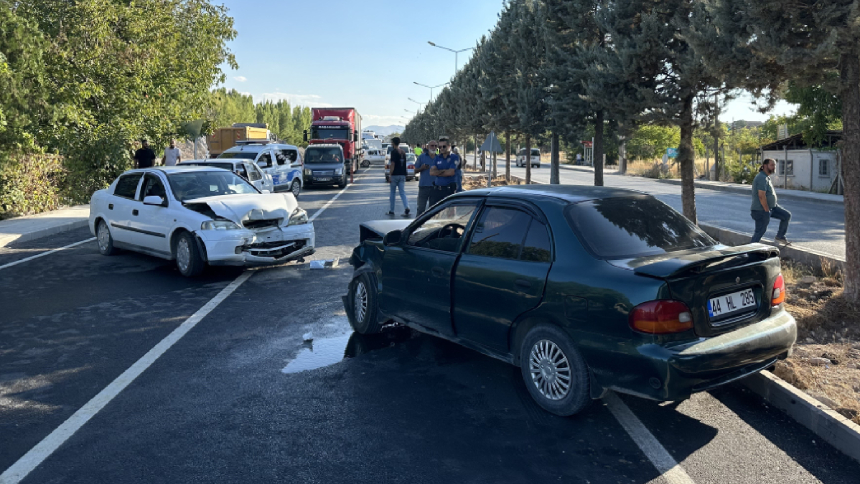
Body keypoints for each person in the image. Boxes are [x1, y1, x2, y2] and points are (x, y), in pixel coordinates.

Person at [750, 158, 792, 245]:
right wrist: (766, 210)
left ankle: (780, 236)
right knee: (760, 232)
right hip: (761, 210)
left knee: (786, 216)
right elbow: (761, 196)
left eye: (775, 165)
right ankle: (748, 252)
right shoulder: (761, 177)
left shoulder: (766, 177)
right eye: (772, 165)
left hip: (772, 208)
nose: (774, 167)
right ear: (765, 166)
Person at [429, 137, 458, 206]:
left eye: (444, 146)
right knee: (433, 213)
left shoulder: (454, 157)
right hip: (437, 190)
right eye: (439, 147)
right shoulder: (437, 157)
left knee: (449, 214)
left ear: (449, 146)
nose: (441, 148)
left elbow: (451, 172)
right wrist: (444, 171)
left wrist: (438, 172)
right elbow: (431, 172)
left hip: (449, 190)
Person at [387, 137, 410, 216]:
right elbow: (404, 164)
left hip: (395, 175)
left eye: (391, 142)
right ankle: (406, 207)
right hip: (402, 175)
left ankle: (392, 210)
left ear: (393, 143)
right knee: (402, 192)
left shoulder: (393, 152)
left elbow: (392, 164)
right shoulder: (403, 152)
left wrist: (390, 175)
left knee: (392, 193)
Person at [415, 140, 438, 214]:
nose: (434, 147)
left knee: (433, 210)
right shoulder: (421, 157)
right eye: (432, 146)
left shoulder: (439, 158)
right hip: (423, 187)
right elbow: (415, 170)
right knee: (421, 209)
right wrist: (422, 168)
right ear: (427, 147)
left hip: (435, 188)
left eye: (435, 146)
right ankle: (417, 225)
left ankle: (431, 225)